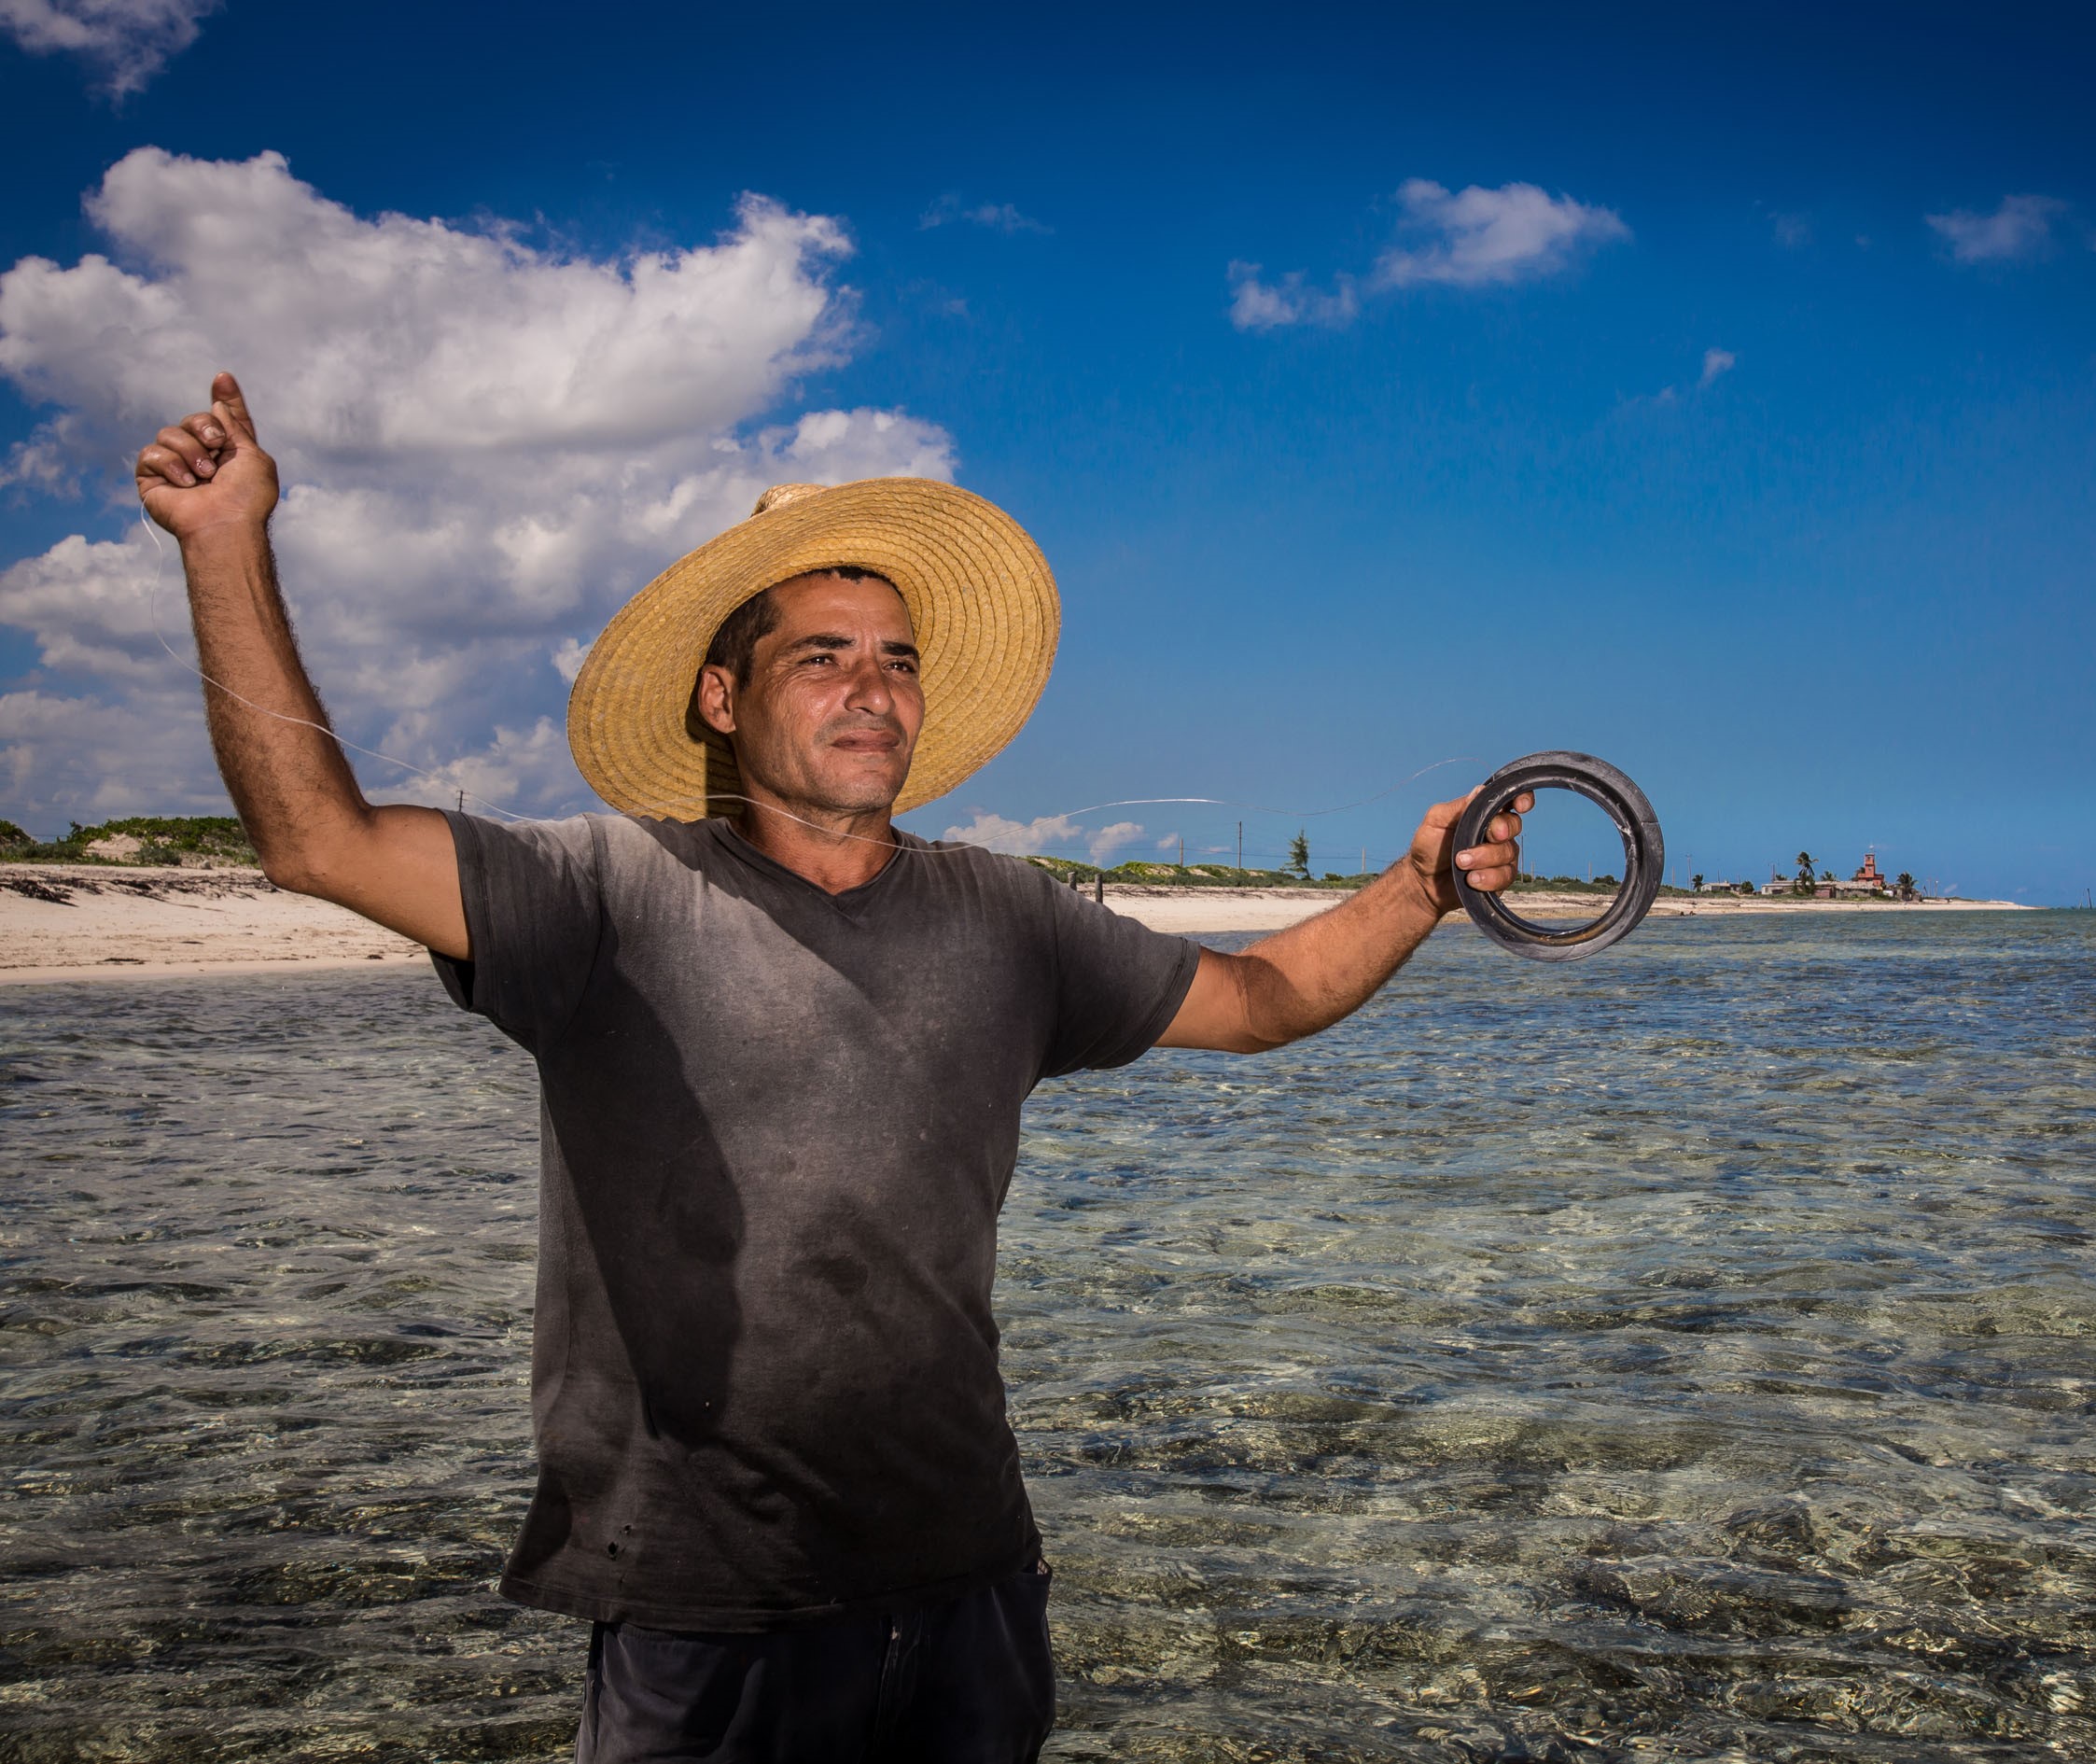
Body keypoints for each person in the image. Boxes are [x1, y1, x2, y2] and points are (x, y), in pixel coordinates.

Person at [135, 373, 1529, 1763]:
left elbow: (1259, 997)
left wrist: (1416, 887)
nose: (873, 685)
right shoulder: (603, 893)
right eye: (824, 654)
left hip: (970, 1583)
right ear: (722, 693)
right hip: (705, 1617)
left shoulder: (1007, 914)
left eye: (898, 655)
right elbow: (314, 837)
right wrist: (227, 545)